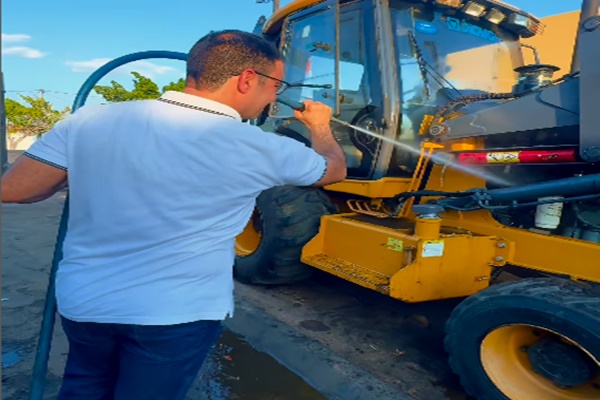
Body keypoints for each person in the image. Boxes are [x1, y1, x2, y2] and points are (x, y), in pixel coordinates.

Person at [1, 30, 346, 399]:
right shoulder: (261, 147)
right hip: (175, 313)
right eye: (276, 84)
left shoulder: (90, 120)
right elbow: (335, 169)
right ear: (247, 79)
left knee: (85, 385)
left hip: (86, 302)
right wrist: (320, 126)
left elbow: (15, 190)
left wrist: (83, 171)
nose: (275, 95)